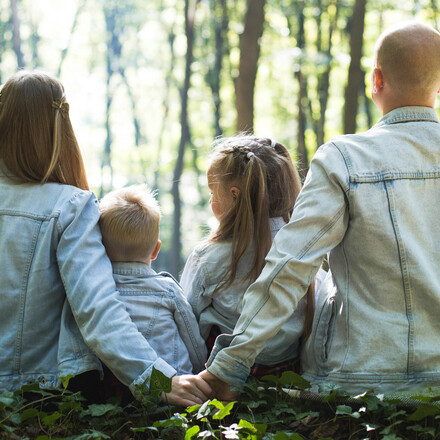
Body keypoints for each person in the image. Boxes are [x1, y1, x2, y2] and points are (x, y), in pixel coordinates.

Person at [198, 21, 440, 398]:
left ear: (376, 80)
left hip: (360, 381)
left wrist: (229, 366)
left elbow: (290, 265)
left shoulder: (344, 159)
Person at [0, 70, 211, 406]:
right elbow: (97, 309)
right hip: (37, 393)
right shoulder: (69, 205)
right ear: (59, 128)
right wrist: (159, 380)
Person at [181, 135, 326, 378]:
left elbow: (188, 320)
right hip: (287, 374)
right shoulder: (306, 252)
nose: (210, 200)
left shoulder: (208, 256)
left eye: (213, 192)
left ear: (234, 195)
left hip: (220, 375)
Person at [98, 184, 207, 376]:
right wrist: (200, 371)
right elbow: (193, 341)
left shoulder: (96, 292)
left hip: (119, 389)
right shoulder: (167, 290)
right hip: (174, 383)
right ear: (156, 250)